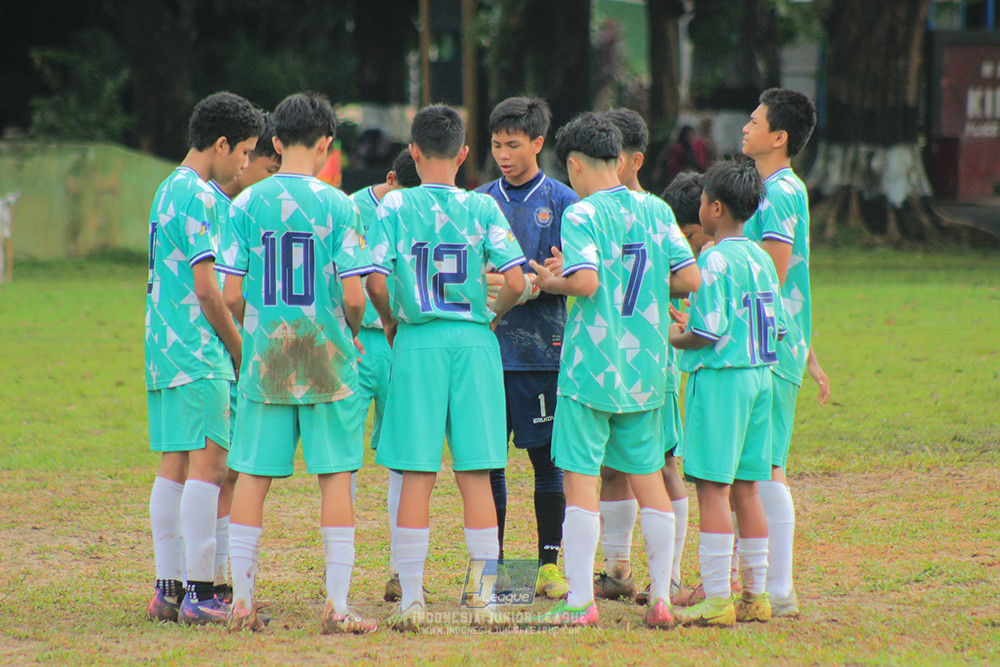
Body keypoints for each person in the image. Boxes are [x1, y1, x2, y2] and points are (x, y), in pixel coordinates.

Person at [527, 112, 697, 629]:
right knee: (649, 480)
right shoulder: (657, 209)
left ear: (574, 166)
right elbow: (687, 276)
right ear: (619, 161)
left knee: (581, 483)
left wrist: (547, 280)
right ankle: (662, 597)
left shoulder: (580, 215)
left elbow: (585, 283)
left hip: (589, 371)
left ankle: (582, 602)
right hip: (645, 370)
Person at [216, 92, 376, 635]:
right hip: (326, 355)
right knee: (335, 475)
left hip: (266, 356)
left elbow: (231, 292)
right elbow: (355, 297)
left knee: (254, 478)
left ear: (275, 143)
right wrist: (349, 333)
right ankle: (335, 605)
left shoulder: (245, 204)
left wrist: (254, 331)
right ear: (327, 143)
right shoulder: (342, 206)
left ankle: (240, 601)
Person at [366, 104, 527, 633]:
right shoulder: (483, 209)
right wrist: (494, 316)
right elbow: (519, 279)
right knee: (476, 473)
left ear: (413, 152)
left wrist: (391, 320)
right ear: (463, 154)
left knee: (416, 472)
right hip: (474, 343)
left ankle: (412, 598)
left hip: (417, 342)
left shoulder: (391, 208)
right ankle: (482, 599)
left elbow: (372, 280)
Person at [145, 92, 263, 625]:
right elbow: (210, 291)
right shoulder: (203, 197)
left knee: (175, 464)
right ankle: (201, 592)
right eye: (242, 153)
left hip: (163, 349)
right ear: (220, 144)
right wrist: (240, 350)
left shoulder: (167, 188)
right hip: (199, 351)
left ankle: (168, 590)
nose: (244, 165)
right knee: (211, 467)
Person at [668, 159, 786, 627]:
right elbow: (773, 329)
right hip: (761, 379)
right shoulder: (759, 256)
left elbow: (708, 330)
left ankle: (717, 600)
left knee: (713, 489)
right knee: (748, 490)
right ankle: (755, 597)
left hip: (722, 382)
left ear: (715, 208)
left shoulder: (713, 258)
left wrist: (677, 336)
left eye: (701, 202)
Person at [589, 109, 699, 607]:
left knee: (661, 464)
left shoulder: (653, 211)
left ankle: (669, 576)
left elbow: (686, 274)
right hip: (606, 356)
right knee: (613, 469)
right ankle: (617, 568)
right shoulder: (593, 209)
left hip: (648, 357)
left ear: (631, 159)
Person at [474, 97, 579, 599]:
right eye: (496, 145)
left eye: (513, 145)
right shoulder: (477, 201)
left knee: (545, 460)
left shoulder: (562, 201)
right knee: (489, 461)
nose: (504, 155)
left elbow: (578, 273)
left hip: (541, 351)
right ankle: (493, 572)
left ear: (538, 144)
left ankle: (549, 565)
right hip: (487, 352)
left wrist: (550, 279)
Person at [741, 88, 830, 618]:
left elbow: (772, 276)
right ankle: (760, 584)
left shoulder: (778, 191)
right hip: (779, 341)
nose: (746, 127)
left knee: (766, 466)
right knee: (754, 464)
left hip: (768, 345)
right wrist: (810, 352)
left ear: (779, 137)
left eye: (755, 121)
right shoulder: (778, 188)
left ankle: (779, 589)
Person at [206, 111, 281, 603]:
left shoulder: (245, 211)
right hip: (225, 352)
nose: (256, 169)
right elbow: (220, 293)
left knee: (232, 471)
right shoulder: (226, 210)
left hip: (244, 351)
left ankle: (218, 577)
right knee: (221, 470)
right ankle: (205, 577)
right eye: (266, 168)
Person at [348, 148, 420, 602]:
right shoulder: (351, 209)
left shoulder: (422, 210)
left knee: (402, 456)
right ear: (390, 178)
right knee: (343, 459)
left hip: (402, 342)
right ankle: (342, 570)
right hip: (357, 342)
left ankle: (399, 569)